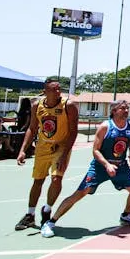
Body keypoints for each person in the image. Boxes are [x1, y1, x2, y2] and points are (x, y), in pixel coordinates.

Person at [41, 100, 130, 237]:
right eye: (122, 108)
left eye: (127, 108)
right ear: (114, 111)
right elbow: (95, 150)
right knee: (79, 194)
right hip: (100, 167)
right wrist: (107, 165)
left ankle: (126, 215)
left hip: (121, 166)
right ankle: (50, 222)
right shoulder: (105, 127)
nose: (126, 111)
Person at [14, 78, 79, 231]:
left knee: (56, 178)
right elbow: (32, 128)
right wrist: (23, 150)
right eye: (54, 89)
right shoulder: (37, 105)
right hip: (43, 146)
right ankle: (30, 215)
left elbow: (73, 131)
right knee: (38, 181)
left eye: (59, 89)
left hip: (61, 145)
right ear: (45, 91)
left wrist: (65, 153)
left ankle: (47, 210)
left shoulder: (68, 106)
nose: (58, 91)